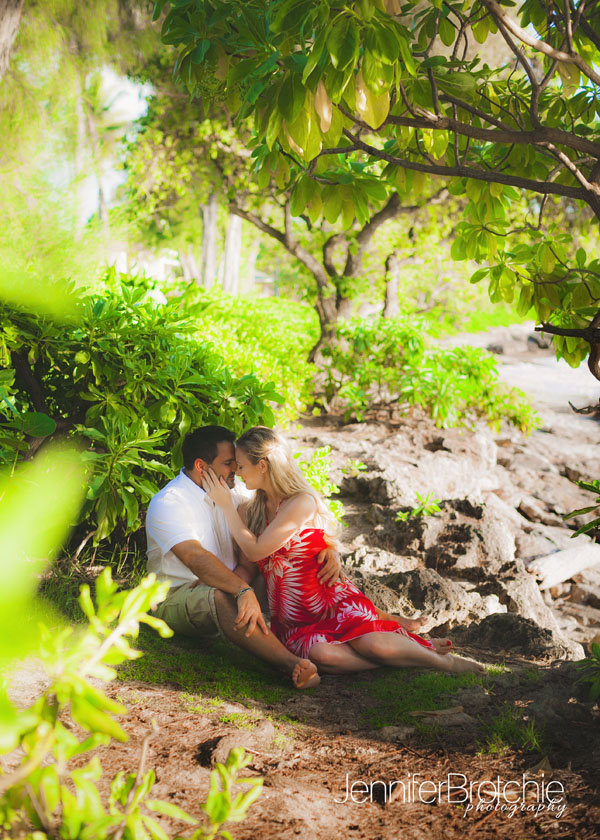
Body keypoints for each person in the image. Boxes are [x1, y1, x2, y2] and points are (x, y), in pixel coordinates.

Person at [202, 426, 485, 676]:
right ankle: (408, 650)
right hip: (295, 620)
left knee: (371, 643)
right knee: (325, 656)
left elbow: (256, 550)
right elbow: (248, 563)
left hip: (331, 601)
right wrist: (219, 586)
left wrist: (225, 506)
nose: (237, 473)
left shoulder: (301, 502)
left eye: (241, 466)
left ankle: (443, 663)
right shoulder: (247, 511)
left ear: (262, 466)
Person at [145, 425, 342, 690]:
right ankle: (290, 664)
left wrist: (328, 547)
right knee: (219, 593)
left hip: (235, 582)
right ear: (202, 466)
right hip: (178, 596)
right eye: (229, 464)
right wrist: (241, 589)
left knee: (288, 561)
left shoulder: (233, 490)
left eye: (238, 464)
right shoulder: (170, 502)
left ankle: (359, 628)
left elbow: (287, 518)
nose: (236, 471)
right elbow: (195, 558)